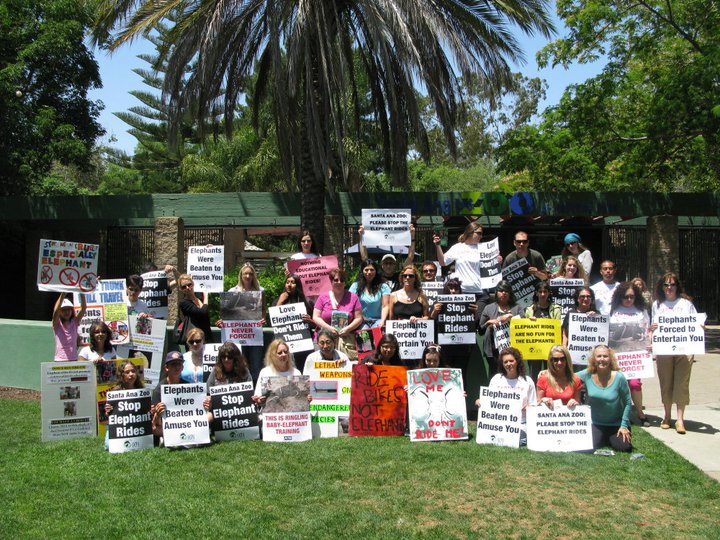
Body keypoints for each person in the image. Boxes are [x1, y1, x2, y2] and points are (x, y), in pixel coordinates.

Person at [650, 272, 697, 434]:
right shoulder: (657, 304)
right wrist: (652, 329)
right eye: (666, 285)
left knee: (681, 384)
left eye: (672, 285)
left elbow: (695, 324)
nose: (669, 288)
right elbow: (651, 326)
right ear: (661, 287)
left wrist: (700, 327)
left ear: (677, 287)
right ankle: (667, 416)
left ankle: (680, 420)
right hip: (664, 350)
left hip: (684, 350)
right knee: (666, 383)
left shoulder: (686, 304)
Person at [609, 281, 650, 426]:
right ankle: (619, 413)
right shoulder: (612, 310)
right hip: (616, 355)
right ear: (620, 296)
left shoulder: (641, 310)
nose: (629, 300)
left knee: (634, 383)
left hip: (636, 355)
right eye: (626, 297)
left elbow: (647, 331)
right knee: (618, 383)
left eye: (632, 297)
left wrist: (649, 344)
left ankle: (640, 412)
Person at [577, 345, 632, 452]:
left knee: (624, 447)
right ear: (593, 359)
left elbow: (628, 402)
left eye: (605, 356)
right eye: (599, 356)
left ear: (610, 359)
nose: (602, 359)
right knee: (587, 446)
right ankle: (603, 438)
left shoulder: (619, 377)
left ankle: (607, 438)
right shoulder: (587, 374)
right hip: (595, 422)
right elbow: (567, 377)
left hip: (616, 424)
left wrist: (624, 425)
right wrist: (546, 372)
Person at [475, 347, 536, 443]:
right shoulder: (496, 379)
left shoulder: (527, 381)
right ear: (502, 364)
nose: (508, 364)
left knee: (519, 439)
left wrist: (529, 407)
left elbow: (533, 405)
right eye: (505, 362)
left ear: (517, 361)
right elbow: (489, 401)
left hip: (521, 422)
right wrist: (479, 401)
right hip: (499, 422)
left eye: (511, 361)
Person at [433, 221, 491, 314]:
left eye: (482, 234)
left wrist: (497, 261)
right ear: (470, 232)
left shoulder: (484, 248)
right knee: (465, 321)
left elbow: (491, 267)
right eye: (479, 233)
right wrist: (438, 245)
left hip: (481, 292)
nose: (481, 236)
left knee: (479, 320)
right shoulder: (458, 247)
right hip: (463, 292)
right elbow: (443, 262)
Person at [225, 262, 266, 381]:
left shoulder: (260, 290)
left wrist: (262, 319)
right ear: (241, 275)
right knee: (238, 364)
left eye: (250, 274)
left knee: (256, 364)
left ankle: (254, 392)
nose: (248, 276)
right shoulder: (233, 290)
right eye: (245, 274)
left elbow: (263, 309)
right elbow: (228, 312)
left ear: (253, 276)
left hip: (255, 334)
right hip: (238, 334)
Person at [430, 277, 474, 386]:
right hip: (444, 347)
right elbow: (431, 321)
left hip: (462, 347)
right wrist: (435, 311)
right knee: (445, 374)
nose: (453, 291)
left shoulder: (467, 302)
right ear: (445, 289)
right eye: (450, 288)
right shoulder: (439, 303)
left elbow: (475, 322)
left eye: (456, 288)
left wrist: (475, 312)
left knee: (461, 375)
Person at [313, 268, 363, 360]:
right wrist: (328, 328)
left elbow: (359, 318)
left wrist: (348, 329)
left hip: (346, 340)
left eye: (342, 280)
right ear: (331, 281)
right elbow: (316, 317)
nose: (339, 282)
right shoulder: (322, 297)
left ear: (345, 282)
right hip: (324, 340)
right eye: (336, 280)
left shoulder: (353, 297)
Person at [478, 280, 523, 375]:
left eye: (506, 291)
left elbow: (523, 326)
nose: (504, 293)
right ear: (496, 293)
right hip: (492, 350)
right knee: (496, 376)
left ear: (510, 293)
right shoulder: (488, 308)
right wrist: (488, 323)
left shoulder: (517, 308)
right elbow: (481, 331)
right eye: (501, 291)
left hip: (512, 350)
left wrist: (511, 317)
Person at [273, 274, 315, 373]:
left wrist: (310, 321)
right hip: (285, 345)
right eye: (287, 282)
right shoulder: (279, 300)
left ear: (298, 285)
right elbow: (273, 321)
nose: (289, 285)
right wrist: (280, 302)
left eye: (292, 282)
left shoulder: (307, 303)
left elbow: (315, 325)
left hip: (302, 346)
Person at [358, 223, 416, 291]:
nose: (388, 266)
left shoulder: (400, 276)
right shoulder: (377, 277)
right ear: (382, 265)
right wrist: (361, 236)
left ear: (395, 265)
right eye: (386, 263)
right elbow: (365, 258)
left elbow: (410, 257)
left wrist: (412, 236)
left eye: (391, 263)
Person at [252, 339, 302, 405]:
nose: (283, 354)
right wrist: (258, 400)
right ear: (273, 355)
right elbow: (258, 397)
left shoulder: (296, 373)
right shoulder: (265, 372)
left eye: (285, 352)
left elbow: (301, 398)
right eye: (279, 353)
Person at [349, 259, 391, 329]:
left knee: (378, 337)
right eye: (366, 270)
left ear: (376, 271)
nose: (369, 272)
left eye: (372, 270)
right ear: (362, 271)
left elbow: (385, 306)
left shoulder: (383, 287)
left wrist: (382, 322)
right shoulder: (355, 286)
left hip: (378, 320)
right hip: (361, 321)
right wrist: (359, 318)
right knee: (364, 337)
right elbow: (351, 304)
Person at [177, 274, 212, 345]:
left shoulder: (199, 296)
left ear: (193, 284)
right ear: (181, 289)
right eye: (184, 287)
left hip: (207, 336)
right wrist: (206, 297)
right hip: (194, 340)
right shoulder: (184, 303)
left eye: (189, 285)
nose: (187, 288)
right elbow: (203, 313)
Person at [52, 293, 86, 361]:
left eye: (68, 309)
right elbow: (56, 310)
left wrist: (81, 293)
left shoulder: (75, 321)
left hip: (73, 359)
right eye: (63, 310)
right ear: (60, 312)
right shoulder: (57, 324)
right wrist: (63, 294)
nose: (66, 312)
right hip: (60, 360)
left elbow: (83, 308)